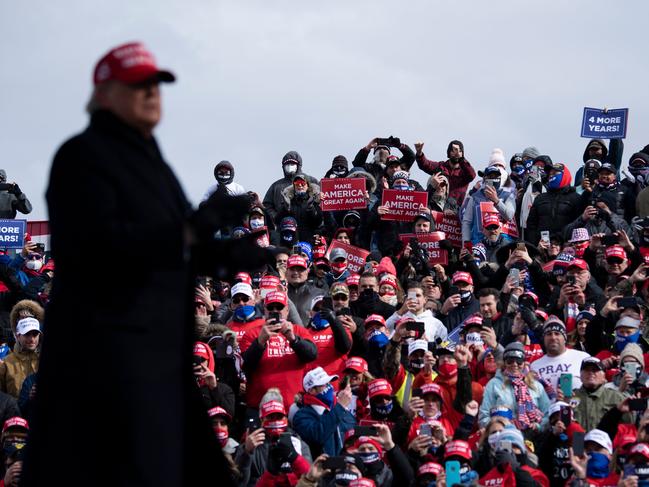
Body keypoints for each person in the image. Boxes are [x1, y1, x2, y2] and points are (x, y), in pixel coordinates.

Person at [28, 42, 265, 486]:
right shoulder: (81, 156)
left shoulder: (153, 162)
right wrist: (191, 232)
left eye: (156, 84)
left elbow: (169, 250)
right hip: (103, 360)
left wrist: (220, 256)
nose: (152, 93)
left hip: (155, 357)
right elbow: (96, 247)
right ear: (104, 94)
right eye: (138, 85)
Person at [240, 291, 317, 410]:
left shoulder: (298, 331)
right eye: (270, 307)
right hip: (260, 407)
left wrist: (293, 339)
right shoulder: (252, 334)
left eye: (279, 307)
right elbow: (246, 366)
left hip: (294, 406)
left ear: (287, 310)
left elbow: (312, 355)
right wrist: (260, 342)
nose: (275, 311)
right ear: (264, 310)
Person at [479, 342, 550, 431]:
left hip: (533, 437)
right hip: (503, 437)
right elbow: (484, 416)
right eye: (510, 361)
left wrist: (538, 427)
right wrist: (499, 428)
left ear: (524, 363)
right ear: (504, 363)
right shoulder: (494, 384)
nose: (515, 364)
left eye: (519, 361)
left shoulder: (536, 385)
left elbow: (548, 413)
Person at [292, 367, 356, 456]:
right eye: (324, 384)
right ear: (311, 390)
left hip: (345, 465)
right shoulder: (302, 416)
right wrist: (340, 407)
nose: (329, 387)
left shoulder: (339, 409)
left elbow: (353, 433)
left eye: (329, 383)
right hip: (322, 467)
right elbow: (317, 436)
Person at [525, 163, 584, 245]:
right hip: (542, 246)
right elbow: (531, 224)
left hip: (566, 246)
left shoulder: (576, 198)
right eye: (550, 174)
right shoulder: (540, 198)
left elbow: (579, 223)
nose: (551, 176)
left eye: (555, 173)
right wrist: (535, 243)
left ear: (565, 175)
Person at [571, 357, 631, 432]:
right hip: (578, 440)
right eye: (587, 370)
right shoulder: (570, 397)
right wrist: (562, 404)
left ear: (604, 376)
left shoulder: (616, 397)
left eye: (595, 370)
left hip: (605, 441)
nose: (590, 373)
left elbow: (628, 425)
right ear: (580, 375)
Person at [530, 317, 590, 392]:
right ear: (543, 339)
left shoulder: (582, 357)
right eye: (549, 334)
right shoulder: (534, 366)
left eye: (557, 334)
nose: (553, 337)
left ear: (564, 338)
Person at [263, 151, 318, 226]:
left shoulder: (311, 181)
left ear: (298, 165)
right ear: (283, 166)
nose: (289, 166)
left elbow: (321, 202)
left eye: (292, 164)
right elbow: (267, 205)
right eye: (287, 164)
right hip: (284, 227)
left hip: (308, 226)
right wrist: (275, 216)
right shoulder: (276, 186)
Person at [414, 140, 476, 204]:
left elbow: (472, 175)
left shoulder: (465, 171)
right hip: (438, 206)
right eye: (453, 151)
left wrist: (462, 159)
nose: (457, 153)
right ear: (449, 152)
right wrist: (419, 153)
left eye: (460, 151)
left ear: (462, 154)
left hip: (455, 210)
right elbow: (425, 164)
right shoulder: (440, 166)